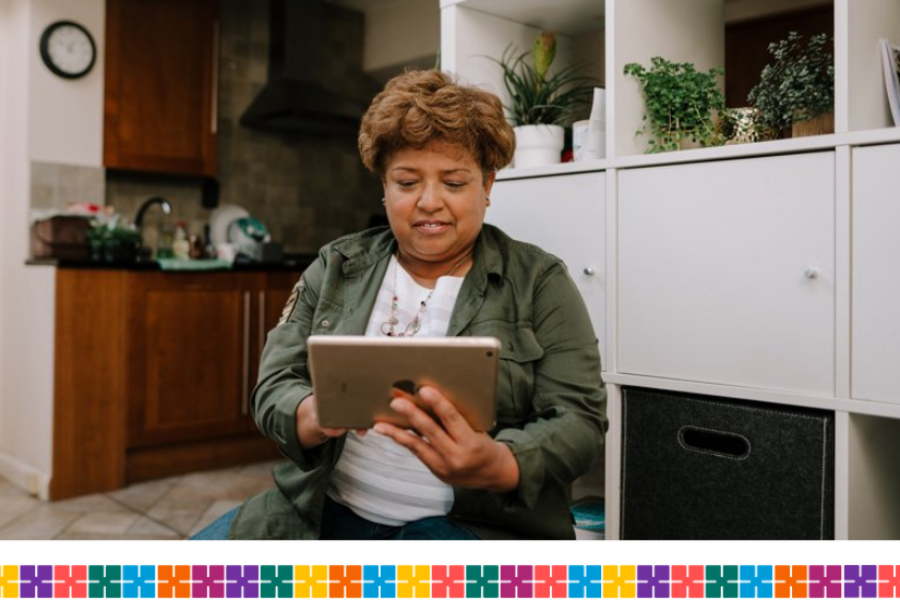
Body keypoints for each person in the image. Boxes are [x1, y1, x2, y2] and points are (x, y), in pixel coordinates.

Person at [194, 69, 607, 540]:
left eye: (454, 182)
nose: (429, 202)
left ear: (487, 185)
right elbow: (273, 384)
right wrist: (312, 412)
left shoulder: (539, 282)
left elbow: (580, 421)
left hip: (471, 527)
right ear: (384, 187)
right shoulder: (336, 266)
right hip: (318, 511)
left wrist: (500, 463)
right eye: (407, 182)